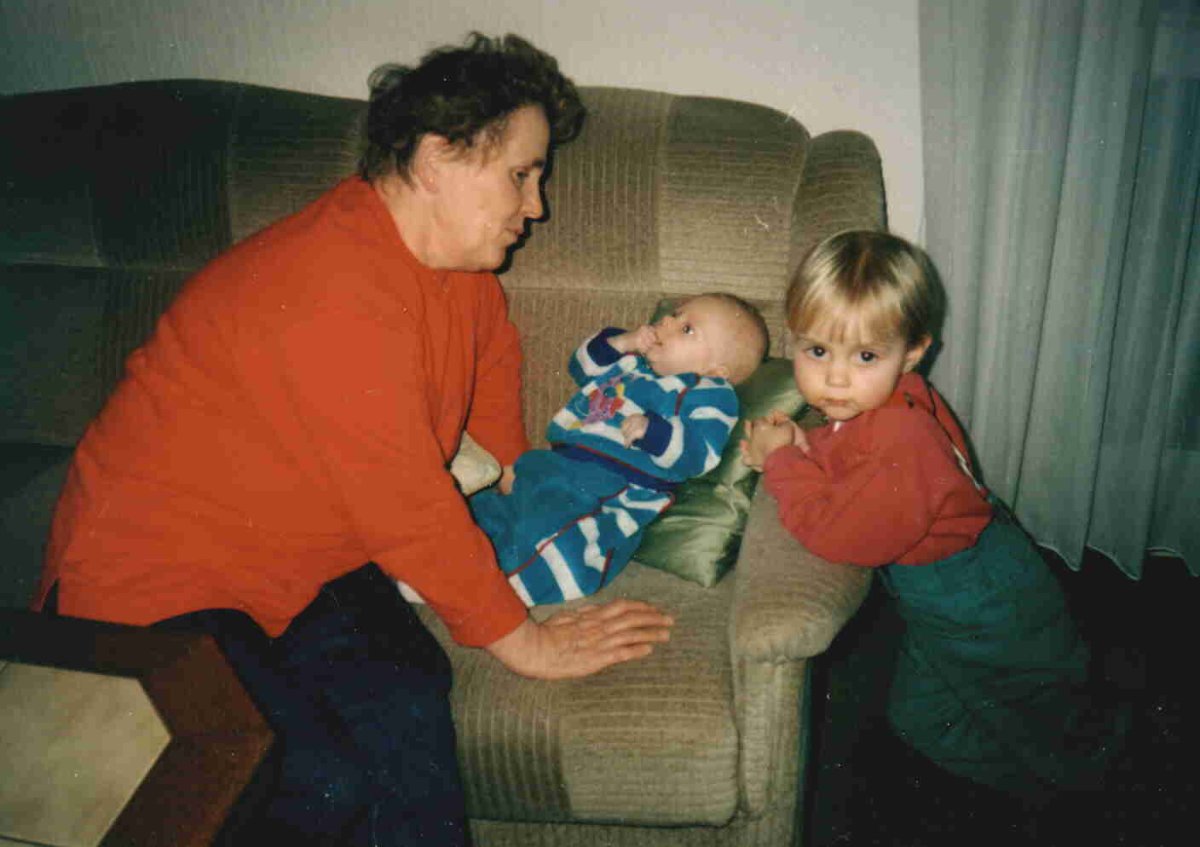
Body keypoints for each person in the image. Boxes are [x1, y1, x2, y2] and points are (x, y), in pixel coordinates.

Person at [32, 33, 673, 846]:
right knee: (307, 780)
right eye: (521, 173)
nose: (536, 204)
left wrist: (517, 469)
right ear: (437, 159)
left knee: (408, 695)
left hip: (302, 558)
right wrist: (527, 642)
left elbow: (491, 351)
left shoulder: (457, 270)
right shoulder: (334, 282)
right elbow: (405, 505)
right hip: (153, 580)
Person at [739, 230, 1127, 800]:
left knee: (1039, 722)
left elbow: (840, 536)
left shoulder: (904, 435)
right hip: (947, 595)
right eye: (817, 351)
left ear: (912, 354)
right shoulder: (881, 398)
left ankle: (1086, 794)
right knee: (923, 719)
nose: (836, 378)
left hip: (979, 595)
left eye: (865, 356)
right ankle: (1048, 779)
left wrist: (782, 464)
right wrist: (805, 445)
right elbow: (854, 457)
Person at [471, 293, 768, 605]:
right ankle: (450, 571)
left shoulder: (710, 393)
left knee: (558, 537)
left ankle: (495, 595)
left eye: (687, 329)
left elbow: (699, 452)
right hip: (552, 464)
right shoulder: (632, 363)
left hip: (614, 487)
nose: (667, 321)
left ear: (716, 370)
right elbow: (580, 365)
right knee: (486, 513)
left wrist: (653, 432)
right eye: (676, 314)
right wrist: (625, 342)